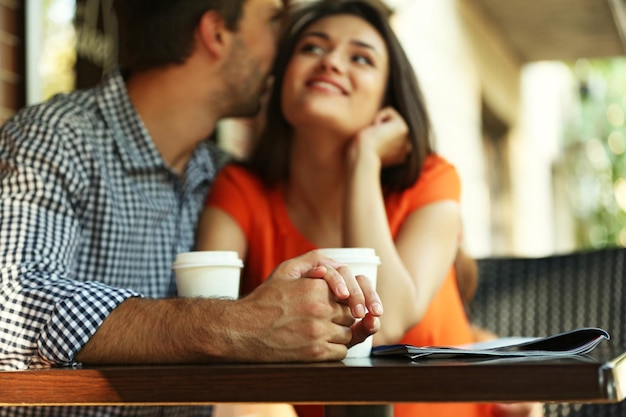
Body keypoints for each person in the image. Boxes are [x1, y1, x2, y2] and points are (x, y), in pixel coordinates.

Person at [0, 1, 385, 416]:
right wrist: (241, 325)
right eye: (273, 20)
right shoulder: (53, 138)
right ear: (216, 33)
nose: (284, 45)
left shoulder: (228, 177)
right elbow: (11, 304)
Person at [196, 1, 543, 417]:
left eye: (360, 57)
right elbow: (209, 319)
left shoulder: (431, 180)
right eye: (312, 48)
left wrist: (363, 161)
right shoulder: (241, 189)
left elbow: (387, 320)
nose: (332, 63)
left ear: (387, 97)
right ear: (282, 77)